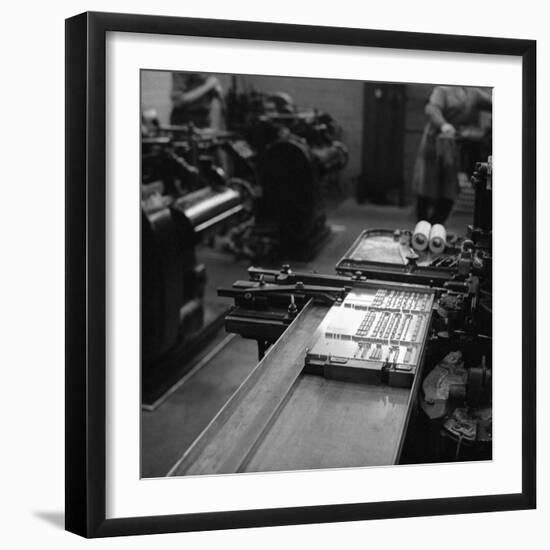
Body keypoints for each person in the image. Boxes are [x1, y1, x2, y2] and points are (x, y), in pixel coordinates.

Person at [412, 86, 492, 224]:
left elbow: (491, 102)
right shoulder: (443, 90)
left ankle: (436, 226)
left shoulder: (472, 92)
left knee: (449, 190)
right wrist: (444, 125)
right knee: (426, 186)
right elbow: (432, 109)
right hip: (434, 142)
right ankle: (422, 227)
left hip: (452, 145)